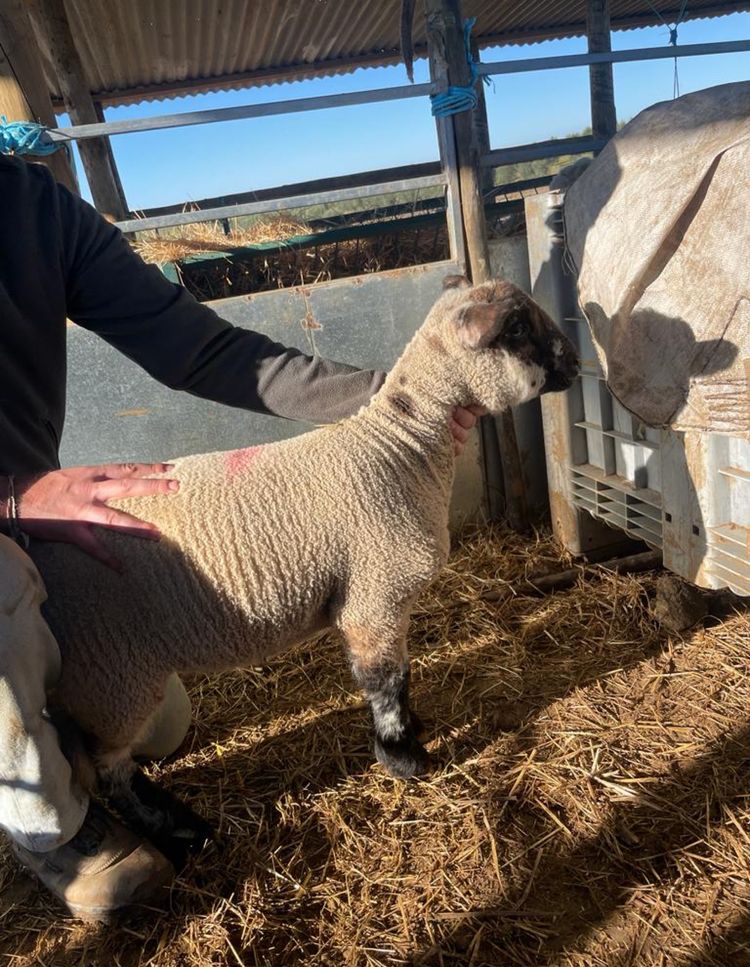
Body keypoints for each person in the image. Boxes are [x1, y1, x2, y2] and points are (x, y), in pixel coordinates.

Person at [0, 153, 480, 920]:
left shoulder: (29, 205)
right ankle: (49, 830)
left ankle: (51, 715)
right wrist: (14, 497)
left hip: (43, 529)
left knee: (150, 721)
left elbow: (202, 350)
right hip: (10, 533)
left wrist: (402, 402)